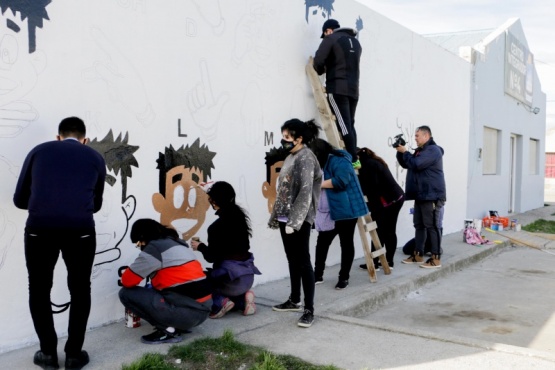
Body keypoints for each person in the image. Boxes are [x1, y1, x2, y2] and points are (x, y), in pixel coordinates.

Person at [13, 116, 106, 370]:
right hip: (81, 231)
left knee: (39, 289)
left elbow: (19, 199)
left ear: (58, 136)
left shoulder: (39, 151)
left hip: (40, 230)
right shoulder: (95, 158)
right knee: (80, 289)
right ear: (84, 139)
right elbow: (95, 204)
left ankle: (48, 354)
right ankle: (74, 355)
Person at [119, 219, 212, 344]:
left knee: (126, 294)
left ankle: (168, 331)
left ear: (142, 237)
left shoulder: (154, 249)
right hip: (203, 311)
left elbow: (127, 281)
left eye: (137, 243)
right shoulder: (177, 244)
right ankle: (178, 324)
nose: (139, 247)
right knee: (156, 289)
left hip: (188, 314)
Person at [268, 118, 322, 328]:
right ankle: (294, 299)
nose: (284, 141)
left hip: (298, 219)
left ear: (299, 138)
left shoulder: (306, 157)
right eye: (283, 137)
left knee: (303, 261)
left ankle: (309, 309)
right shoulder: (292, 156)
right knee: (292, 258)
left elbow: (306, 191)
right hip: (285, 216)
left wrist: (296, 221)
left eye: (287, 137)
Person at [190, 181, 261, 319]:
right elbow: (224, 191)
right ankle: (244, 299)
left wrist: (200, 247)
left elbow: (211, 257)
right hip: (247, 276)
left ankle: (220, 302)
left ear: (214, 201)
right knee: (221, 278)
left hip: (230, 279)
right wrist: (208, 189)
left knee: (202, 280)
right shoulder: (240, 217)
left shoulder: (215, 228)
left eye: (210, 199)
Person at [309, 138, 368, 290]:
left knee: (346, 243)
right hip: (329, 210)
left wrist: (318, 184)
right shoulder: (322, 162)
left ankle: (344, 277)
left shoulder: (340, 161)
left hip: (347, 210)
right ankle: (318, 275)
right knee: (322, 242)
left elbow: (341, 181)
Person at [313, 18, 362, 169]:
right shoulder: (356, 42)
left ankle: (353, 159)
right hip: (353, 90)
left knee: (344, 125)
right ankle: (355, 156)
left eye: (325, 33)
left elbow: (318, 61)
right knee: (350, 124)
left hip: (337, 89)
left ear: (328, 30)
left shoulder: (331, 39)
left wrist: (321, 70)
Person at [396, 126, 446, 268]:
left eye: (417, 135)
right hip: (421, 194)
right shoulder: (421, 152)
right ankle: (418, 255)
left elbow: (416, 164)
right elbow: (408, 164)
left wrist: (406, 152)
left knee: (432, 226)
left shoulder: (433, 150)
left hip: (432, 194)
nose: (415, 138)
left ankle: (435, 259)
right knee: (419, 225)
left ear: (426, 135)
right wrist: (401, 152)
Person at [356, 148, 405, 270]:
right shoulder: (370, 161)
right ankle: (376, 261)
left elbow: (372, 187)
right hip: (388, 200)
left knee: (389, 230)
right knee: (379, 230)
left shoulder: (368, 165)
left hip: (393, 200)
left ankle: (389, 261)